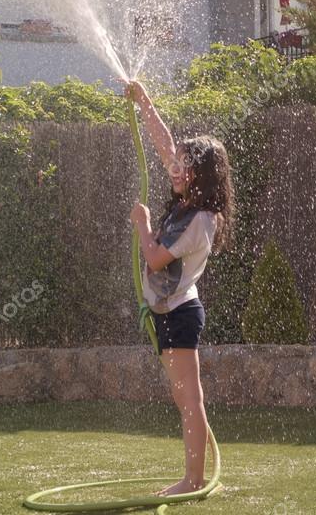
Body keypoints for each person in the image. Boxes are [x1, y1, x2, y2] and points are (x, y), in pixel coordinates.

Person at [123, 79, 235, 497]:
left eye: (182, 164)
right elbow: (165, 143)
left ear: (200, 174)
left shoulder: (200, 221)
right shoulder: (189, 201)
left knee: (190, 402)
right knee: (183, 399)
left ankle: (193, 480)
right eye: (175, 162)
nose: (173, 166)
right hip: (167, 314)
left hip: (179, 315)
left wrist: (143, 225)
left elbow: (154, 259)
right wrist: (144, 100)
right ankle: (192, 474)